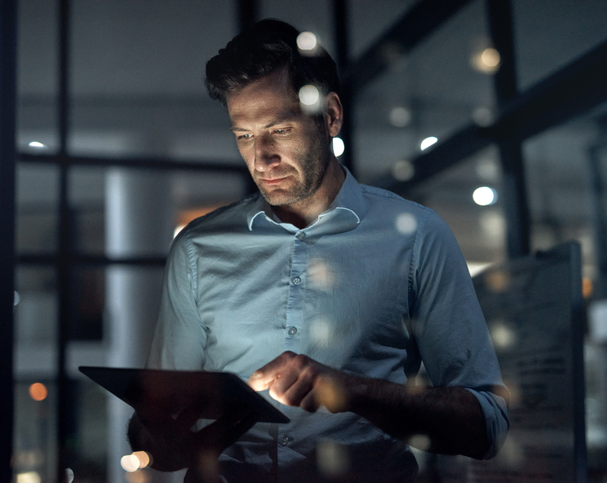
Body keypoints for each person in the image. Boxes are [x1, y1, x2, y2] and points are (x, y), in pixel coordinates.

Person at [128, 18, 508, 483]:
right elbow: (155, 421)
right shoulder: (196, 248)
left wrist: (350, 390)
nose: (261, 158)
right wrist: (156, 442)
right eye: (244, 136)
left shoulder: (418, 237)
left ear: (330, 116)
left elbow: (487, 425)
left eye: (280, 130)